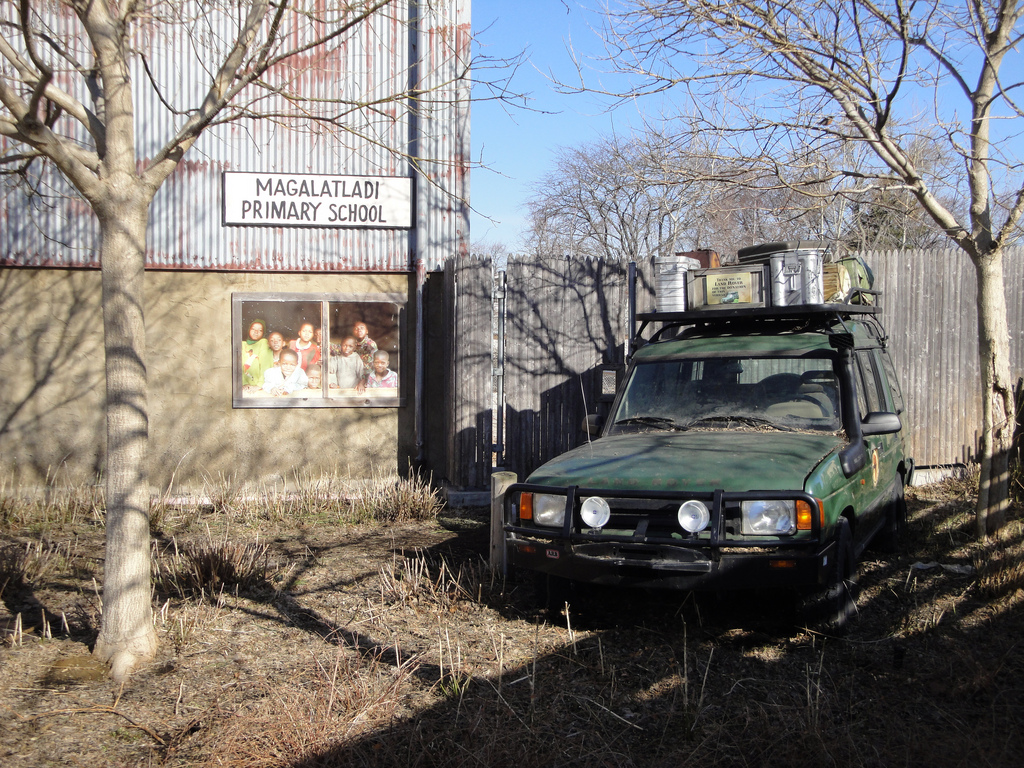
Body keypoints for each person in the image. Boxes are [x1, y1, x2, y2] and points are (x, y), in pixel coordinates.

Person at [241, 319, 273, 387]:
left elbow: (265, 365)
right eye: (253, 329)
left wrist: (260, 385)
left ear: (263, 332)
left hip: (259, 385)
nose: (256, 332)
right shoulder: (243, 344)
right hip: (244, 385)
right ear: (249, 330)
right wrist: (244, 383)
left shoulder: (263, 342)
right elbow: (238, 366)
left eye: (260, 330)